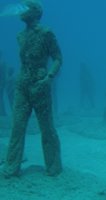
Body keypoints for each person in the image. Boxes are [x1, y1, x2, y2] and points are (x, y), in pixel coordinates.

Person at [2, 0, 62, 178]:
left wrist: (49, 77)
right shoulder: (20, 36)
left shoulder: (46, 33)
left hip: (40, 84)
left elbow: (58, 58)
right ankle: (11, 168)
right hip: (22, 85)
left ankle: (54, 167)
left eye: (26, 8)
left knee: (47, 128)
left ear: (35, 12)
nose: (21, 11)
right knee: (17, 127)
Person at [0, 51, 7, 116]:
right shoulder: (3, 63)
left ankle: (2, 112)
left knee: (1, 97)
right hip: (2, 83)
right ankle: (3, 112)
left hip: (1, 84)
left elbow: (3, 75)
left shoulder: (2, 64)